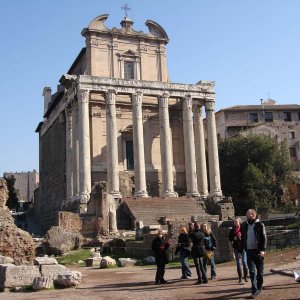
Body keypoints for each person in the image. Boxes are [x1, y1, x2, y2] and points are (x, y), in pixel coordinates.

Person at [241, 209, 267, 299]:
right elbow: (243, 238)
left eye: (249, 214)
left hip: (258, 251)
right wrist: (242, 249)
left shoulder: (260, 225)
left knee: (259, 272)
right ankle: (254, 289)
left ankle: (259, 287)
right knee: (252, 271)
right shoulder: (244, 225)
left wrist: (263, 250)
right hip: (249, 251)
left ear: (254, 215)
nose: (247, 216)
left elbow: (264, 238)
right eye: (246, 214)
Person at [229, 217, 248, 283]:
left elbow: (246, 237)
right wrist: (234, 238)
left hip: (243, 247)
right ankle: (240, 278)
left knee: (244, 262)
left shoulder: (243, 229)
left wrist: (241, 237)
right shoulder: (232, 230)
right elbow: (230, 239)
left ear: (239, 222)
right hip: (236, 248)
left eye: (236, 221)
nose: (235, 223)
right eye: (234, 222)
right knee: (238, 263)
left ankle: (245, 277)